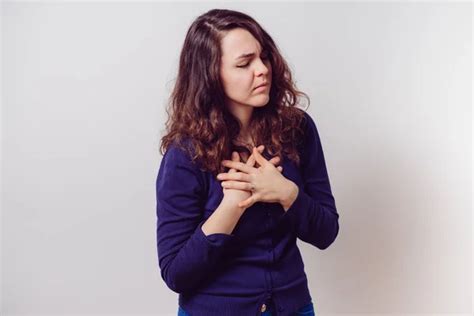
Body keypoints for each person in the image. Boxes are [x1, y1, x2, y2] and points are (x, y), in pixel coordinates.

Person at [155, 8, 339, 316]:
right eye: (244, 63)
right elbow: (176, 273)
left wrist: (286, 193)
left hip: (293, 308)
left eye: (263, 57)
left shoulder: (298, 130)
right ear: (211, 75)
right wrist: (231, 206)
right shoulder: (185, 154)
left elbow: (326, 232)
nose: (263, 69)